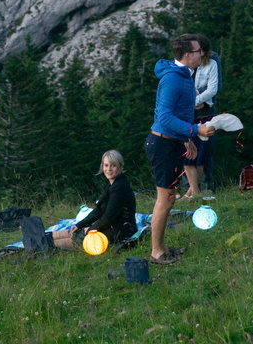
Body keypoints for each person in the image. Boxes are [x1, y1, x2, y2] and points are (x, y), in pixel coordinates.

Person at [147, 34, 215, 265]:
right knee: (165, 198)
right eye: (198, 52)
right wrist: (196, 130)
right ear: (187, 55)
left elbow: (178, 114)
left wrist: (187, 138)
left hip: (172, 142)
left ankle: (161, 247)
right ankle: (156, 252)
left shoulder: (184, 75)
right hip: (162, 144)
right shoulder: (174, 79)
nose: (202, 54)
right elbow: (165, 117)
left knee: (169, 198)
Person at [53, 150, 137, 250]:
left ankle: (46, 244)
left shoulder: (119, 187)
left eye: (113, 165)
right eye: (106, 165)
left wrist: (91, 229)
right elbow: (99, 210)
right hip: (112, 226)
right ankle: (45, 238)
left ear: (120, 167)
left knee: (79, 237)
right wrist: (79, 225)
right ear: (102, 166)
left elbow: (108, 218)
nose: (109, 169)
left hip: (121, 230)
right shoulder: (112, 184)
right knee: (74, 231)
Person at [182, 36, 219, 200]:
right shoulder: (183, 64)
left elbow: (213, 89)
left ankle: (195, 191)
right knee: (187, 150)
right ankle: (192, 190)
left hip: (205, 111)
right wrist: (191, 102)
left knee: (203, 151)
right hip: (187, 112)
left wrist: (196, 101)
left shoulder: (212, 63)